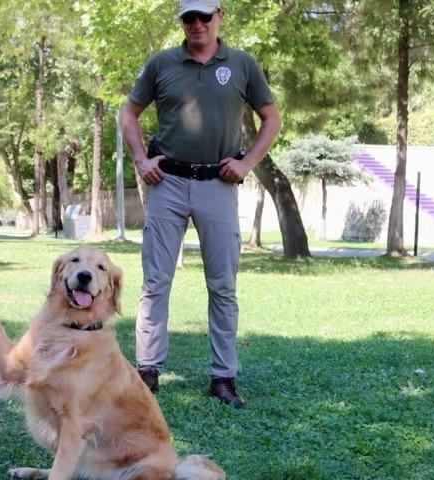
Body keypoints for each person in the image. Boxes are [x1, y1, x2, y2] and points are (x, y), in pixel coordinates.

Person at [120, 0, 281, 409]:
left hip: (218, 185)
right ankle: (147, 372)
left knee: (223, 286)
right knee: (155, 282)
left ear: (219, 17)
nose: (196, 24)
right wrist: (141, 159)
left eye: (203, 16)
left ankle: (223, 378)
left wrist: (246, 163)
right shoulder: (161, 63)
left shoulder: (243, 64)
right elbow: (129, 113)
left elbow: (271, 118)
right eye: (188, 18)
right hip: (168, 182)